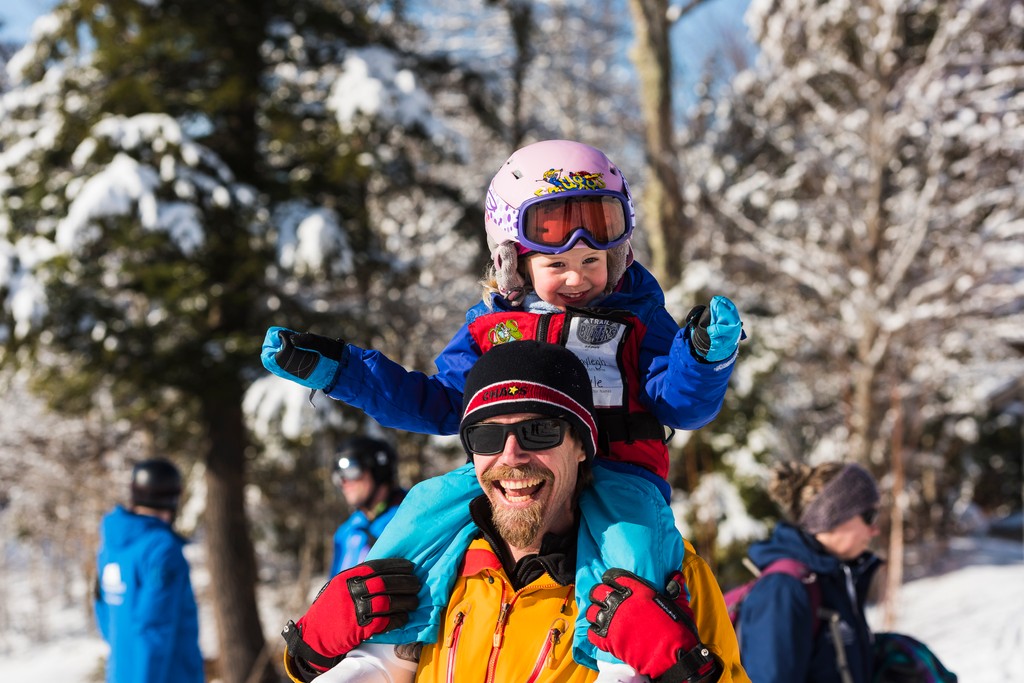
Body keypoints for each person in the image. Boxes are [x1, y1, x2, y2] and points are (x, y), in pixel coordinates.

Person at [262, 139, 744, 668]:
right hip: (510, 475)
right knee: (421, 510)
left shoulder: (636, 323)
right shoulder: (492, 328)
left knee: (630, 563)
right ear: (512, 260)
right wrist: (343, 372)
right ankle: (379, 650)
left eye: (592, 260)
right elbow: (441, 402)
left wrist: (701, 358)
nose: (578, 277)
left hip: (620, 476)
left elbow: (678, 403)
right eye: (557, 263)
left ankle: (619, 662)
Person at [281, 341, 749, 682]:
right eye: (486, 437)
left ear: (581, 447)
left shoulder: (664, 573)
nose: (511, 456)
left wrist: (685, 670)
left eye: (539, 431)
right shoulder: (433, 569)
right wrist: (311, 654)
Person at [736, 461, 883, 683]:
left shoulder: (832, 579)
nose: (875, 529)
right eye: (869, 516)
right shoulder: (783, 590)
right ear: (835, 516)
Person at [94, 458, 204, 683]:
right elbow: (154, 627)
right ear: (172, 499)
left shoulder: (111, 546)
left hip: (121, 673)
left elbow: (104, 614)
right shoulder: (162, 548)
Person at [329, 436, 408, 576]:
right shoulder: (346, 533)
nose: (344, 481)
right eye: (338, 474)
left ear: (378, 470)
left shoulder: (410, 518)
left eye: (352, 468)